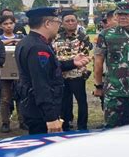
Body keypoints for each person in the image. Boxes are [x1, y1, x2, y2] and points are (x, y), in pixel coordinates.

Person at [15, 7, 90, 135]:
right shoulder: (38, 47)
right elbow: (41, 83)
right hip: (41, 112)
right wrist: (51, 117)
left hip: (34, 106)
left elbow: (48, 68)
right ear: (48, 23)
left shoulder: (28, 42)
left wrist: (72, 63)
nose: (59, 26)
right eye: (58, 22)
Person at [53, 9, 93, 131]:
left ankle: (82, 126)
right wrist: (69, 61)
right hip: (62, 74)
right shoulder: (56, 36)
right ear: (62, 23)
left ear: (77, 22)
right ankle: (65, 125)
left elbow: (84, 55)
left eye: (73, 20)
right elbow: (54, 55)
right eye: (67, 21)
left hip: (78, 74)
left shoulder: (83, 36)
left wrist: (67, 61)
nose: (70, 23)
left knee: (81, 101)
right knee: (64, 102)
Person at [0, 15, 26, 133]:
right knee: (5, 99)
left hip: (20, 72)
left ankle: (23, 121)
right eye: (5, 24)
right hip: (3, 73)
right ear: (0, 26)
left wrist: (16, 40)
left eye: (10, 23)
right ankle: (5, 122)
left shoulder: (22, 36)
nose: (8, 26)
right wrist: (12, 41)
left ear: (14, 24)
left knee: (21, 97)